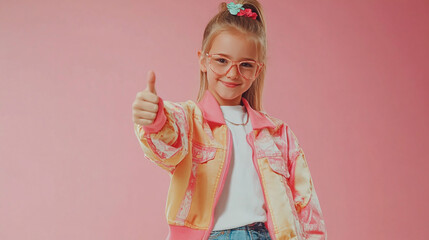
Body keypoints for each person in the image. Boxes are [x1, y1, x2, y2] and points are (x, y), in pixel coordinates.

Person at [132, 1, 327, 239]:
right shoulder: (191, 121)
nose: (233, 73)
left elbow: (305, 204)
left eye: (245, 64)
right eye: (222, 60)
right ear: (203, 60)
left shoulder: (278, 134)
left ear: (258, 70)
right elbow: (168, 139)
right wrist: (154, 119)